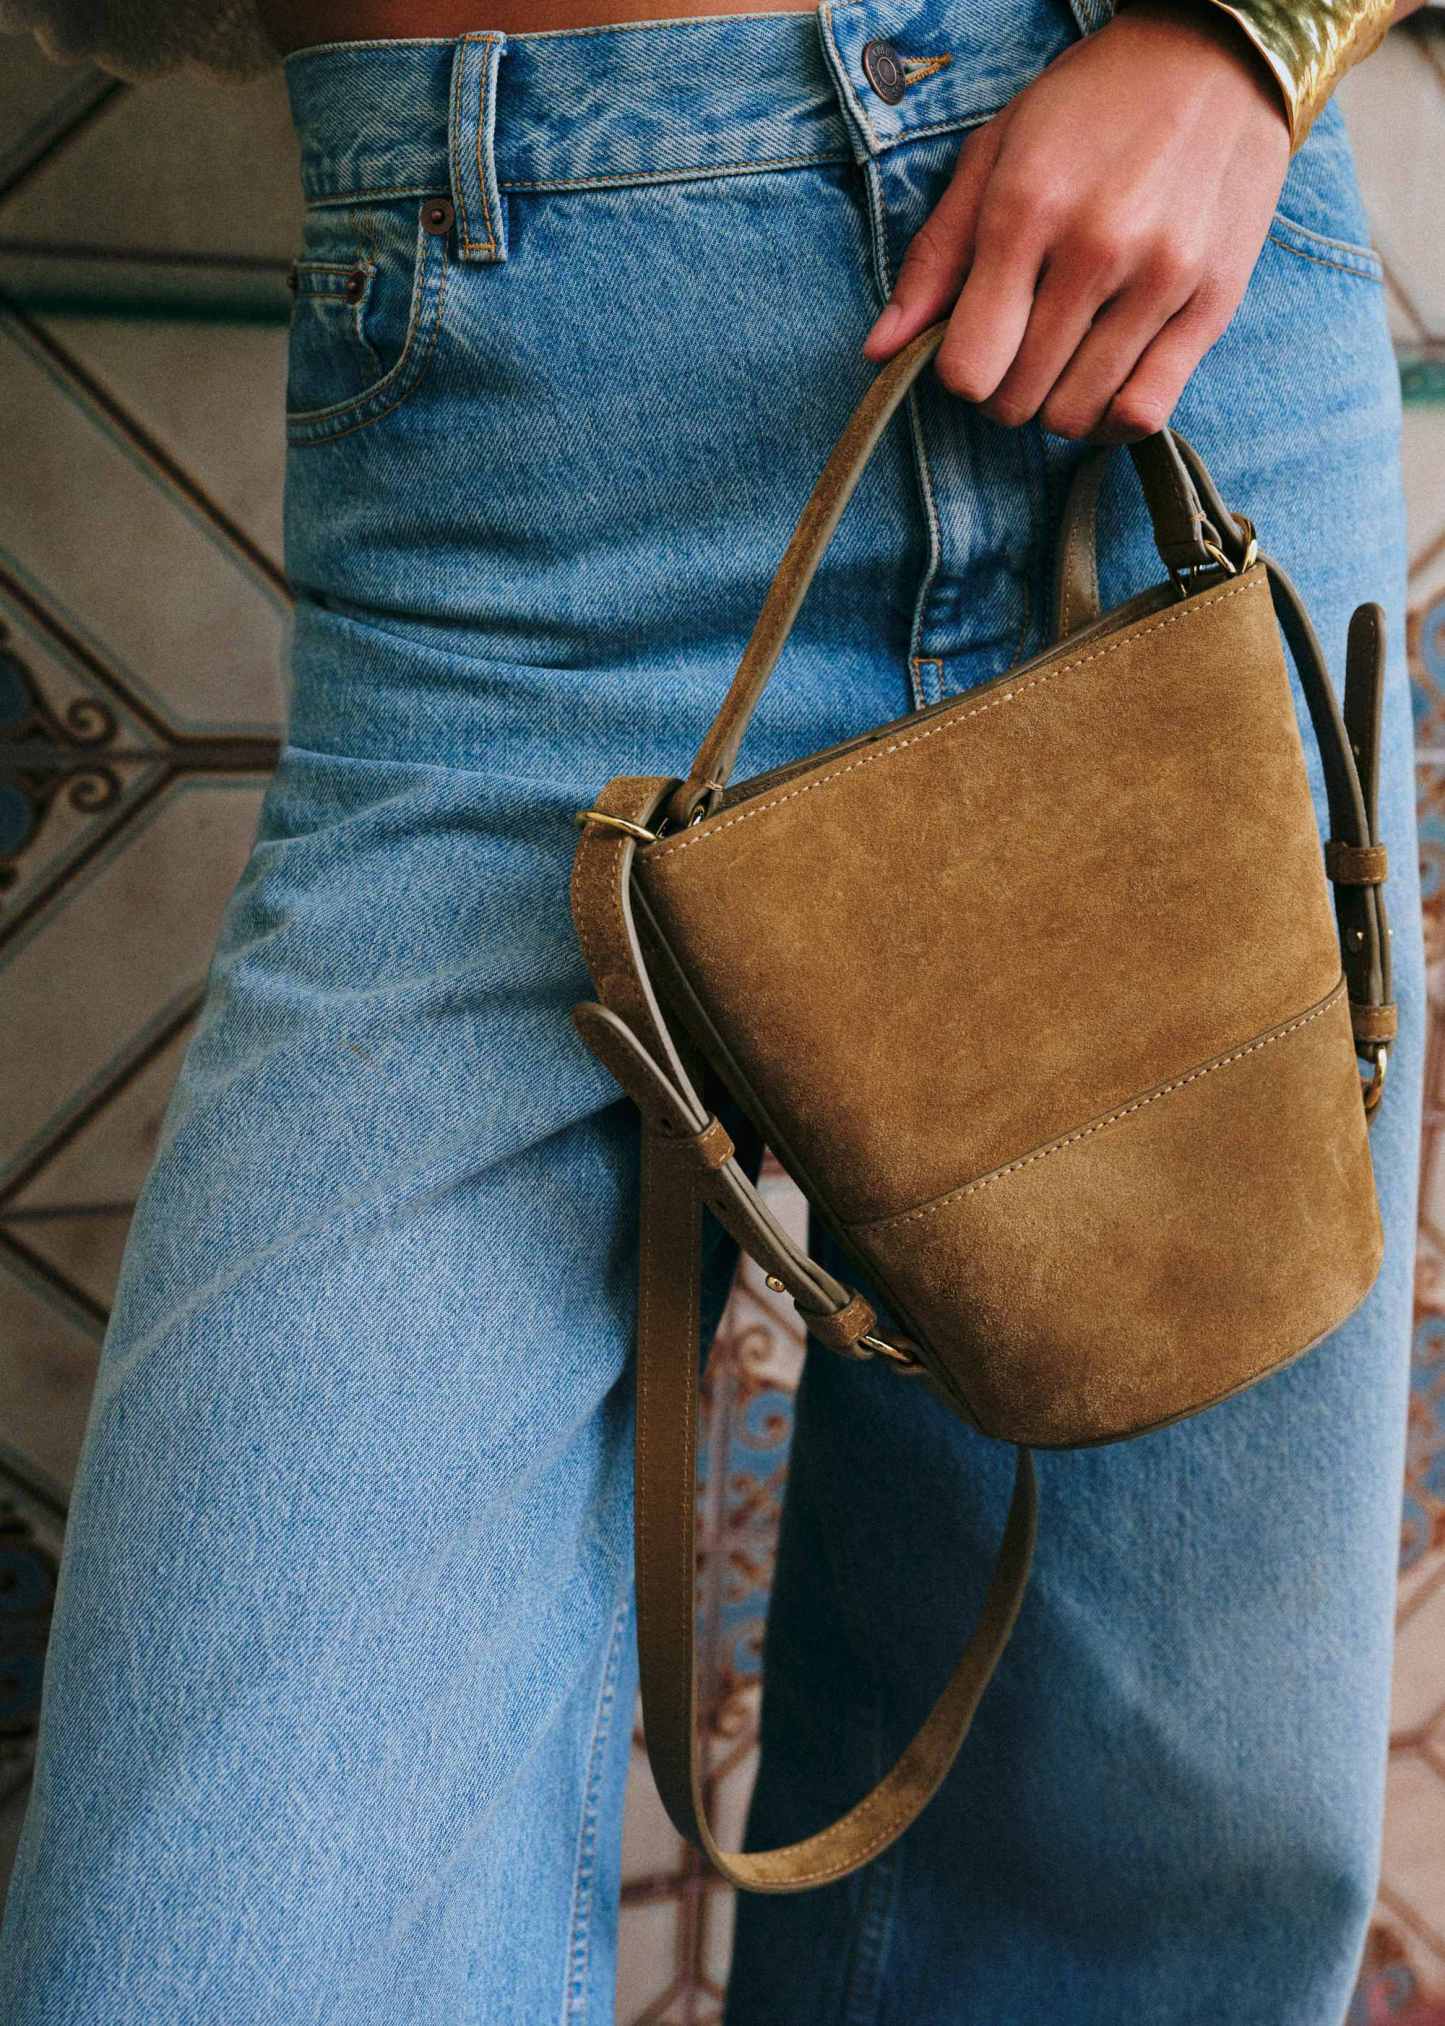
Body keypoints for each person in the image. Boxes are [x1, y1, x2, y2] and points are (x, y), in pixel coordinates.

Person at [0, 0, 1428, 2020]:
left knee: (1143, 1856)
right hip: (514, 424)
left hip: (1156, 362)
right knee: (223, 1935)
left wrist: (1248, 31)